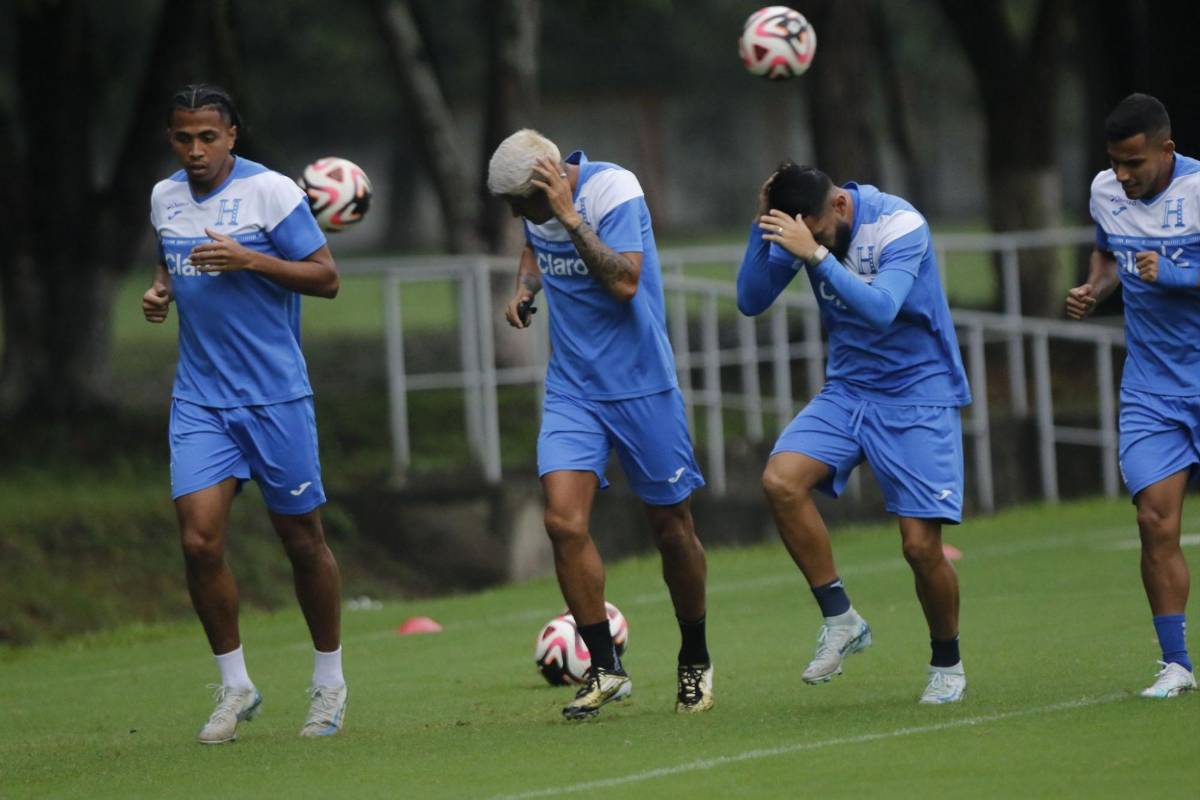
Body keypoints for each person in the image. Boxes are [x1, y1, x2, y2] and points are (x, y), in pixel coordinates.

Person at [143, 84, 349, 742]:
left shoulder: (272, 193)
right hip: (201, 400)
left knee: (302, 541)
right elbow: (171, 260)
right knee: (198, 542)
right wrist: (161, 290)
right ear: (171, 139)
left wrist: (250, 259)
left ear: (231, 135)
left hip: (275, 397)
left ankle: (329, 682)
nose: (195, 150)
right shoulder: (164, 196)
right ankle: (235, 685)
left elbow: (326, 277)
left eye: (208, 137)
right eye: (184, 138)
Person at [487, 129, 712, 719]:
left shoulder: (614, 190)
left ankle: (695, 657)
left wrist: (569, 217)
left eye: (519, 202)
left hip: (643, 385)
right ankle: (607, 669)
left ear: (547, 185)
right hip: (573, 389)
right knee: (562, 521)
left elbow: (624, 282)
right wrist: (524, 289)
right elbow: (534, 244)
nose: (514, 214)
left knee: (673, 528)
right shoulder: (537, 211)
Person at [736, 162, 972, 704]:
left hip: (918, 394)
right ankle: (841, 618)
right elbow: (751, 299)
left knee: (920, 548)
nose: (815, 243)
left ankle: (947, 662)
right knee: (781, 480)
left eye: (819, 233)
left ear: (839, 206)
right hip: (848, 390)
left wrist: (814, 254)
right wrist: (761, 226)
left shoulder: (899, 225)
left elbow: (882, 309)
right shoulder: (807, 226)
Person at [1067, 93, 1197, 699]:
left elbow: (1164, 272)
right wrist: (1095, 287)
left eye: (1134, 163)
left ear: (1167, 150)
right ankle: (1177, 665)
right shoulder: (1105, 191)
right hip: (1152, 387)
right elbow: (1107, 253)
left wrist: (1173, 274)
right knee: (1153, 520)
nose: (1122, 175)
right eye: (1115, 162)